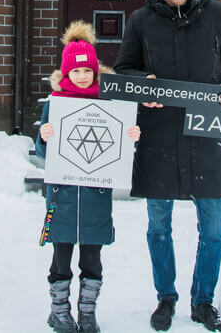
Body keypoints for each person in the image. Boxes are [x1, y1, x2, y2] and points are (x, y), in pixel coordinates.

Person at [114, 0, 221, 332]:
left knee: (213, 227)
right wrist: (142, 86)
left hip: (206, 133)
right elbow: (125, 69)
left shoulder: (219, 16)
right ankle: (166, 298)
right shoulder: (141, 21)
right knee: (159, 226)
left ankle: (203, 300)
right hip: (159, 133)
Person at [36, 20, 141, 333]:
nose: (82, 77)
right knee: (61, 256)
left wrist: (129, 136)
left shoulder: (109, 104)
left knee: (92, 259)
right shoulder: (55, 105)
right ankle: (59, 312)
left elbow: (116, 152)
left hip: (96, 198)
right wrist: (45, 137)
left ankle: (87, 313)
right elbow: (42, 154)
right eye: (75, 72)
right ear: (65, 74)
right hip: (63, 197)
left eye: (87, 71)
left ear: (96, 73)